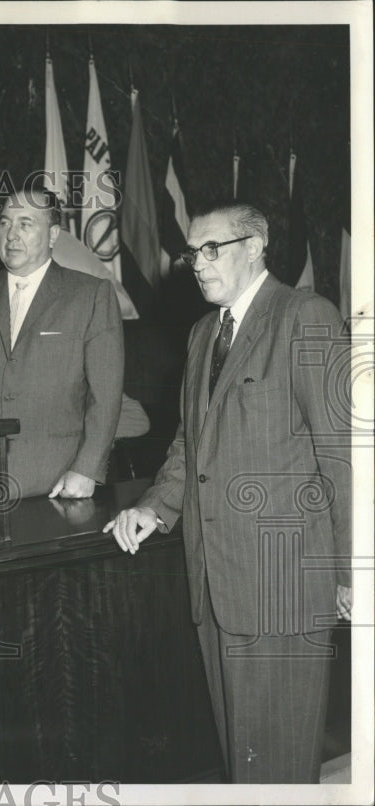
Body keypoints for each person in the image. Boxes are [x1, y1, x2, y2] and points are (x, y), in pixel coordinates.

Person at [103, 201, 352, 783]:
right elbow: (191, 446)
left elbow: (342, 455)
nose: (197, 262)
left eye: (211, 248)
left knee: (282, 770)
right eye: (192, 252)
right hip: (215, 584)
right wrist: (152, 507)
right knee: (246, 767)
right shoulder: (201, 335)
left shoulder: (305, 316)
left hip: (283, 587)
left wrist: (351, 572)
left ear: (255, 246)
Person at [0, 188, 124, 498]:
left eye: (25, 223)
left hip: (57, 484)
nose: (11, 235)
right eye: (5, 223)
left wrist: (87, 470)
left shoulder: (90, 295)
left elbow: (106, 396)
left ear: (52, 235)